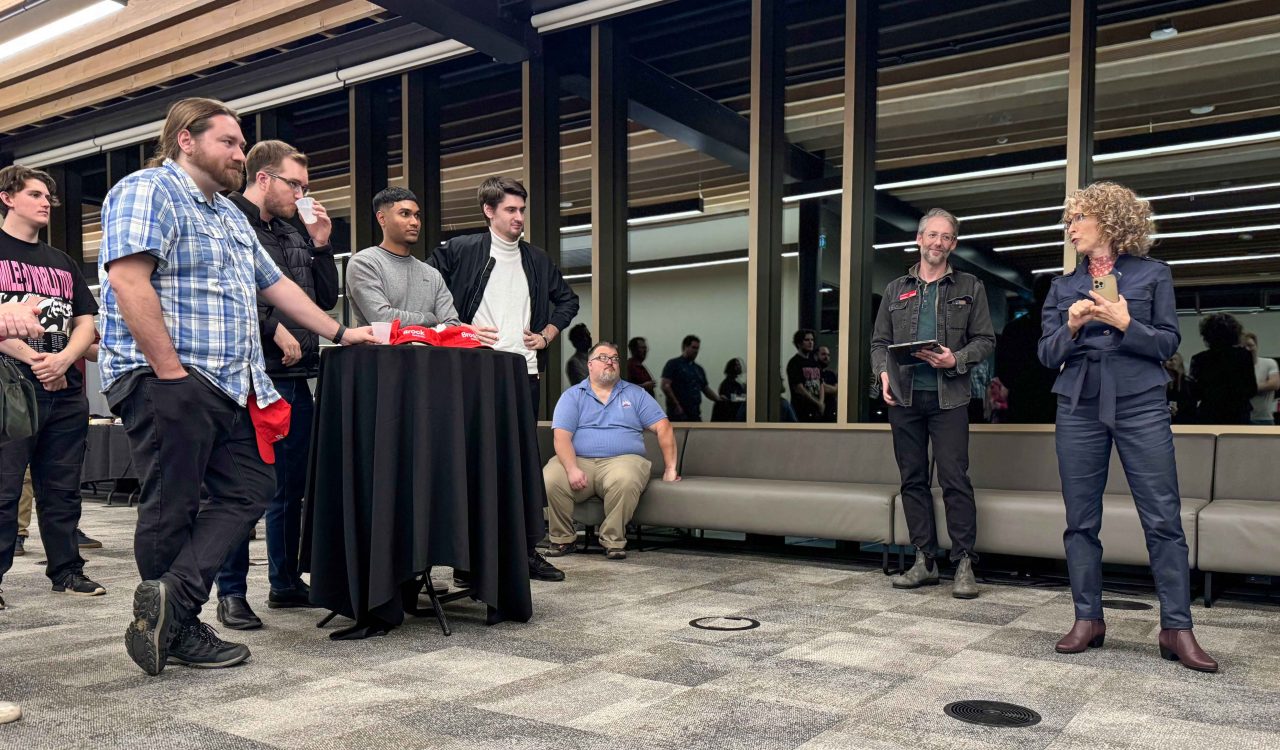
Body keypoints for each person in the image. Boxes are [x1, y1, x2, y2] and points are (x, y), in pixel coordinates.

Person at [99, 97, 376, 676]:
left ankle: (170, 602)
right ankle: (178, 626)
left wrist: (341, 332)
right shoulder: (148, 190)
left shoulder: (227, 214)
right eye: (227, 141)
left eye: (240, 142)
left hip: (228, 384)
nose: (239, 153)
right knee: (172, 503)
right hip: (166, 376)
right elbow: (128, 281)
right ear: (185, 140)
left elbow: (277, 287)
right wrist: (168, 372)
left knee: (252, 483)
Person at [1039, 181, 1216, 672]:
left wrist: (1124, 323)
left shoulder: (1153, 275)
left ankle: (1176, 627)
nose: (1071, 227)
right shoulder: (1062, 286)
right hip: (1078, 404)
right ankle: (1087, 619)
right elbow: (1046, 354)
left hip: (1140, 402)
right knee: (1080, 519)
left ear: (1110, 222)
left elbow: (1167, 345)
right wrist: (1071, 327)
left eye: (1079, 218)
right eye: (1069, 220)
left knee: (1162, 517)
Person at [211, 140, 339, 631]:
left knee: (290, 489)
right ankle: (232, 592)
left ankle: (285, 583)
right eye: (295, 184)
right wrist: (270, 325)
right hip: (248, 375)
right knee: (246, 489)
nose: (302, 194)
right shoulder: (229, 221)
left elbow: (324, 297)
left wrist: (322, 243)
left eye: (305, 186)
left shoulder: (292, 231)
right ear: (264, 179)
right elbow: (229, 287)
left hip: (296, 375)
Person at [428, 175, 579, 583]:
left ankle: (525, 551)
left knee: (520, 464)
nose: (519, 217)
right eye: (511, 209)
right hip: (473, 373)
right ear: (488, 211)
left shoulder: (536, 258)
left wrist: (547, 333)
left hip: (523, 372)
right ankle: (466, 562)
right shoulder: (461, 250)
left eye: (522, 209)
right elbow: (427, 290)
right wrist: (457, 328)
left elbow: (568, 300)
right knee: (471, 463)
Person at [871, 208, 994, 599]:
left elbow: (986, 341)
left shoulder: (970, 287)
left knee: (955, 479)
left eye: (946, 237)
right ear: (920, 240)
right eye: (932, 235)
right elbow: (878, 344)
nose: (938, 242)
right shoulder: (895, 290)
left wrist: (955, 359)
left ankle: (963, 564)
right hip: (904, 398)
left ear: (952, 244)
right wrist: (883, 374)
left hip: (950, 398)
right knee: (913, 479)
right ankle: (924, 559)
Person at [0, 165, 106, 605]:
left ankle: (66, 570)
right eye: (36, 194)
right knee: (4, 489)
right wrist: (35, 358)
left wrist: (63, 358)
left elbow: (86, 321)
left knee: (62, 488)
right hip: (10, 386)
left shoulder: (61, 262)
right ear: (7, 197)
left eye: (49, 197)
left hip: (64, 387)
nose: (47, 202)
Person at [543, 341, 680, 560]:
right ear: (589, 365)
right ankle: (563, 540)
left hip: (623, 460)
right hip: (580, 461)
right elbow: (561, 437)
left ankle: (613, 541)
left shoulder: (635, 394)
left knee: (625, 477)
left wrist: (671, 468)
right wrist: (571, 469)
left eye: (615, 359)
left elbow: (663, 427)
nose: (611, 363)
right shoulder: (573, 396)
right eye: (604, 358)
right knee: (551, 476)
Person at [347, 188, 496, 346]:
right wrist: (431, 319)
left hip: (427, 365)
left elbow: (452, 324)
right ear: (382, 218)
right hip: (382, 364)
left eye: (417, 215)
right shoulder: (365, 263)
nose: (414, 222)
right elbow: (383, 319)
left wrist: (424, 326)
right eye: (405, 214)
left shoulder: (432, 274)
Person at [996, 274, 1059, 423]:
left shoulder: (1014, 329)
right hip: (1055, 405)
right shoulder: (1062, 330)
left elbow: (1004, 373)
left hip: (1021, 405)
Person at [1189, 313, 1255, 424]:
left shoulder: (1199, 359)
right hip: (1238, 413)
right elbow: (1251, 389)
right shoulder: (1244, 355)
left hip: (1210, 413)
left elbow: (1195, 392)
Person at [660, 335, 722, 421]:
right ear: (685, 347)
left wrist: (718, 399)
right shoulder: (673, 364)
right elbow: (665, 386)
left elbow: (705, 389)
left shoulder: (698, 369)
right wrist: (677, 405)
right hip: (678, 413)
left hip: (695, 413)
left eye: (697, 348)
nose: (696, 351)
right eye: (693, 347)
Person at [786, 329, 825, 422]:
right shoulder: (794, 363)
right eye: (807, 340)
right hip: (801, 409)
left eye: (812, 340)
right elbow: (799, 388)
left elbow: (821, 384)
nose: (811, 342)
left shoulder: (815, 362)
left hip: (816, 410)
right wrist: (817, 403)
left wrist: (821, 402)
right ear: (799, 343)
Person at [1243, 332, 1278, 425]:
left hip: (1264, 419)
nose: (1247, 349)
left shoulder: (1269, 363)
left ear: (1256, 346)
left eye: (1250, 345)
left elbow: (1274, 384)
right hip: (1241, 419)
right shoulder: (1235, 367)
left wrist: (1247, 388)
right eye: (1244, 347)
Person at [1163, 353, 1196, 423]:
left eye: (1175, 360)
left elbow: (1192, 404)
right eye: (1170, 360)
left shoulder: (1188, 383)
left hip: (1184, 421)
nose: (1173, 362)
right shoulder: (1161, 383)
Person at [713, 357, 745, 422]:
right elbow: (730, 397)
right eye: (737, 365)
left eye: (739, 365)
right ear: (732, 367)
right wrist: (745, 398)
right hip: (729, 417)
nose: (739, 367)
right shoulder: (726, 384)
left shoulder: (737, 383)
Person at [817, 345, 838, 422]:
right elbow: (819, 387)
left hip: (831, 414)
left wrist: (823, 386)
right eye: (823, 354)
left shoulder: (830, 374)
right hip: (819, 413)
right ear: (816, 356)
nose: (826, 357)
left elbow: (836, 389)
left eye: (828, 355)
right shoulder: (814, 373)